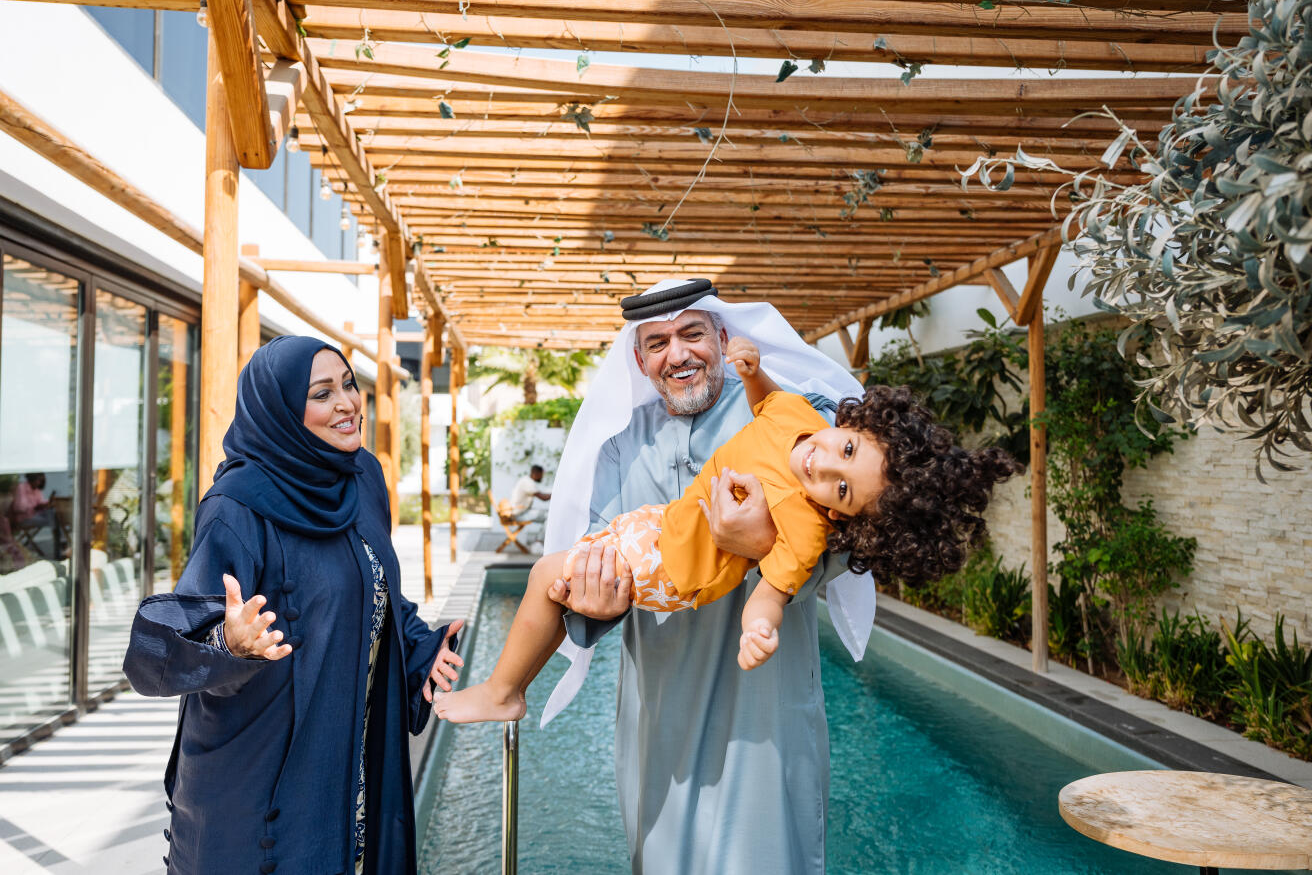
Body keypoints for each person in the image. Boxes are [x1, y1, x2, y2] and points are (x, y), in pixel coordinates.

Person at [435, 337, 1015, 722]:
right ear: (852, 424)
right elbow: (769, 407)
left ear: (842, 514)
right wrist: (755, 373)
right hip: (657, 528)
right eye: (844, 448)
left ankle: (503, 692)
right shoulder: (801, 418)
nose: (824, 464)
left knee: (543, 574)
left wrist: (757, 630)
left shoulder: (807, 526)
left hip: (671, 568)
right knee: (562, 579)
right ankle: (508, 686)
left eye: (841, 487)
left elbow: (773, 591)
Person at [538, 278, 876, 874]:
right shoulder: (617, 448)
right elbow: (595, 576)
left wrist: (765, 543)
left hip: (766, 712)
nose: (678, 353)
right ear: (640, 361)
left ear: (722, 338)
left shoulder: (802, 419)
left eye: (692, 333)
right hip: (660, 710)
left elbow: (858, 537)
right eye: (658, 342)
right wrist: (592, 601)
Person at [123, 336, 463, 875]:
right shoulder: (237, 506)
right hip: (259, 773)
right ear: (279, 409)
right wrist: (228, 642)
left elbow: (375, 591)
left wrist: (420, 650)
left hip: (346, 754)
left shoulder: (362, 478)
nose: (348, 403)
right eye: (322, 393)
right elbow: (160, 645)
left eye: (348, 384)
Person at [509, 464, 551, 548]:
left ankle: (539, 541)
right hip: (518, 515)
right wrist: (558, 493)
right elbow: (543, 498)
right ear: (536, 473)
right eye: (541, 475)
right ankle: (538, 542)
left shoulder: (526, 480)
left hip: (520, 512)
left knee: (547, 514)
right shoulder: (528, 482)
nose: (542, 477)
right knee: (549, 516)